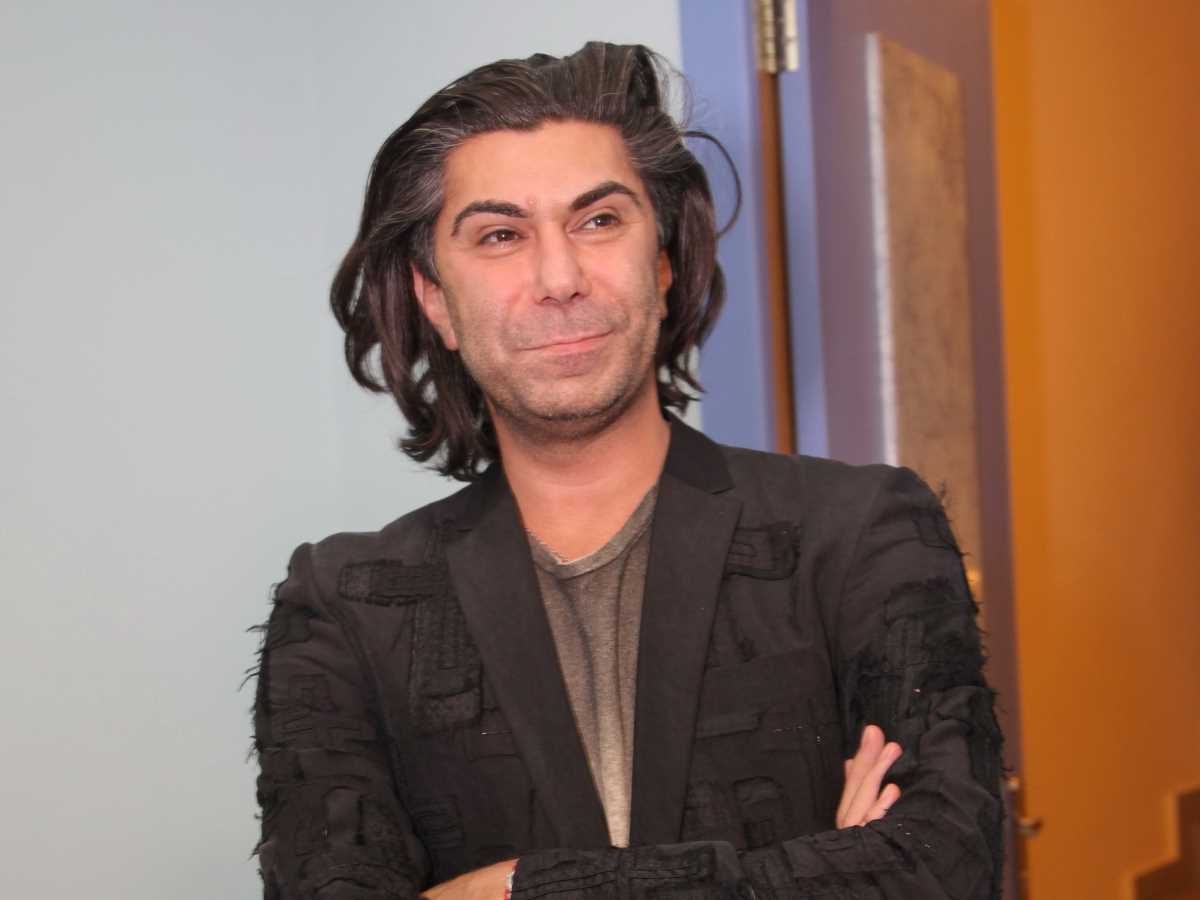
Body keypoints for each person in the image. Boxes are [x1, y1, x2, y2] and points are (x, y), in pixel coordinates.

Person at [252, 41, 1004, 900]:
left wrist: (518, 889)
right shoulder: (348, 605)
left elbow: (943, 865)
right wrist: (816, 871)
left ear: (663, 261)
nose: (559, 277)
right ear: (436, 301)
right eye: (500, 235)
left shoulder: (857, 534)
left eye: (599, 221)